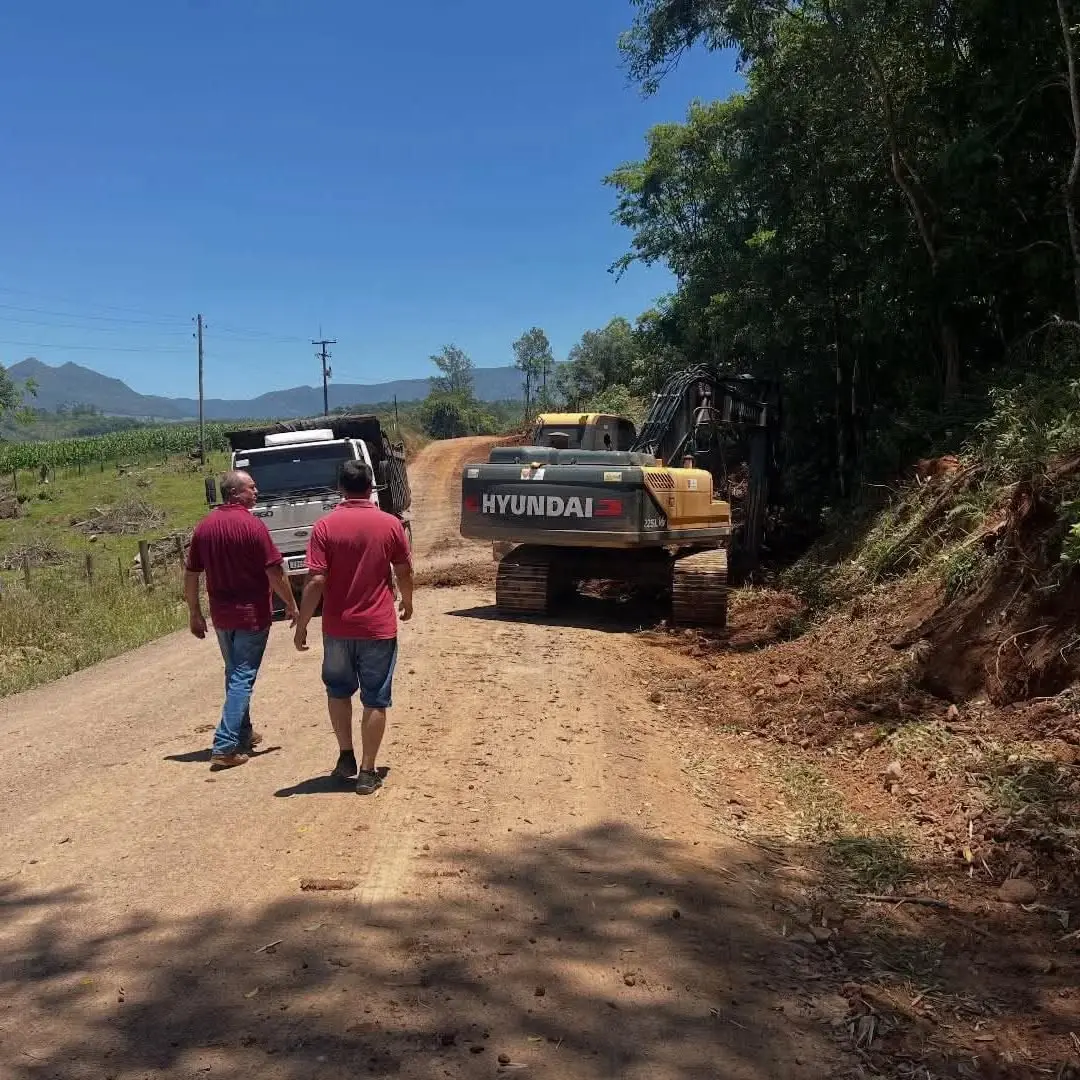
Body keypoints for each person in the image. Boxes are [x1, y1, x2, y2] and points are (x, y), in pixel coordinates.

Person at [293, 459, 414, 795]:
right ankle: (367, 771)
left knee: (338, 691)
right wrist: (408, 601)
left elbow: (316, 580)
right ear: (371, 486)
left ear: (340, 488)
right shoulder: (390, 524)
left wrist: (302, 624)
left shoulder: (324, 526)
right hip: (377, 627)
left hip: (337, 628)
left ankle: (345, 756)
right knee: (375, 699)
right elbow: (404, 570)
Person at [184, 469, 299, 769]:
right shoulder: (253, 526)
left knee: (234, 673)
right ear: (235, 493)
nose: (256, 491)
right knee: (242, 676)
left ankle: (242, 733)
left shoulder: (204, 527)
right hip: (251, 614)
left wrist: (194, 613)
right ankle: (224, 745)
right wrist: (291, 603)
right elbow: (275, 571)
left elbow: (191, 573)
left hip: (222, 616)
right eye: (251, 487)